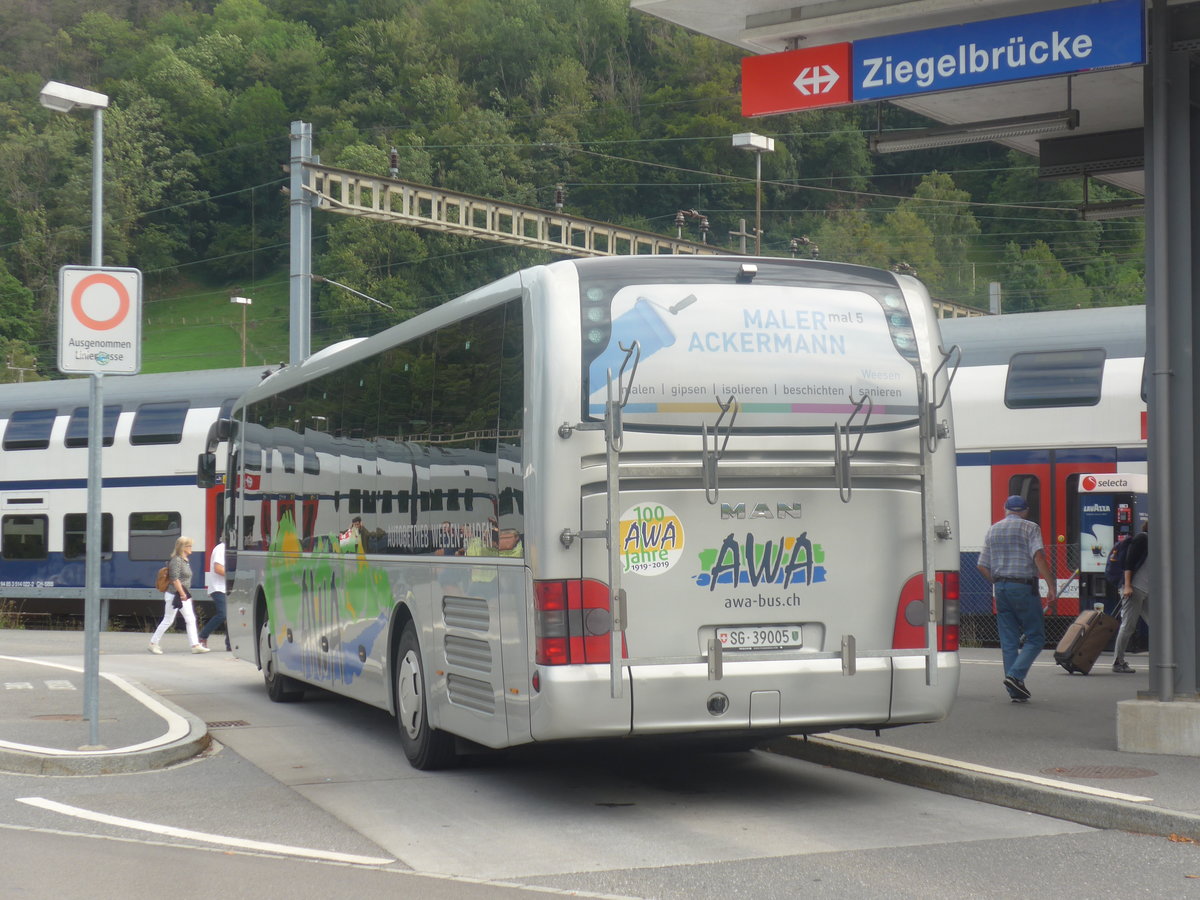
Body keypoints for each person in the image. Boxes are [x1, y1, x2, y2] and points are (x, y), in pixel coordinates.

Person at [977, 495, 1056, 702]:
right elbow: (1038, 557)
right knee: (1036, 637)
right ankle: (1015, 675)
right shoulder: (1030, 528)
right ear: (1025, 511)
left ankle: (1015, 690)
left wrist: (996, 582)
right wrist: (1051, 585)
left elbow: (981, 565)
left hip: (1001, 588)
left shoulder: (993, 529)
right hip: (1023, 587)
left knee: (1009, 640)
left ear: (1005, 509)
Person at [149, 536, 210, 655]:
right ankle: (153, 643)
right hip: (175, 595)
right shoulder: (176, 560)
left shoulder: (184, 560)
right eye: (189, 546)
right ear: (183, 547)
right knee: (169, 620)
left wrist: (186, 595)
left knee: (189, 619)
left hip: (181, 595)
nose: (191, 548)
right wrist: (182, 594)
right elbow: (175, 579)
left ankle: (195, 645)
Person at [1113, 520, 1150, 674]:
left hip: (1147, 590)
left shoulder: (1155, 542)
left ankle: (1164, 660)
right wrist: (1127, 585)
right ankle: (1118, 661)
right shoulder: (1142, 538)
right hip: (1134, 588)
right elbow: (1129, 562)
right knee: (1128, 625)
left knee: (1159, 625)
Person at [198, 537, 230, 651]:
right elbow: (218, 568)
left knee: (230, 616)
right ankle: (202, 636)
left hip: (225, 588)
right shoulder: (221, 549)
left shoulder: (226, 549)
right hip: (218, 587)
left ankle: (230, 644)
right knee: (223, 614)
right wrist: (234, 575)